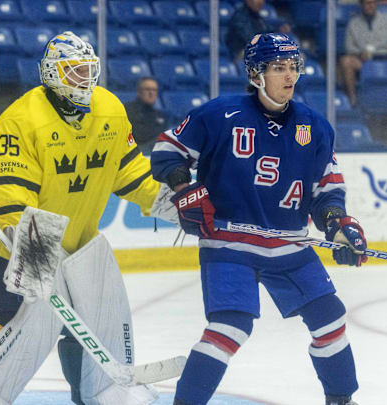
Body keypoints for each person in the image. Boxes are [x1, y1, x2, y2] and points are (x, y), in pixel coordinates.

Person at [0, 31, 170, 405]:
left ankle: (93, 395)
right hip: (17, 243)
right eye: (73, 72)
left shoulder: (111, 109)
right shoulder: (21, 119)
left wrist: (174, 204)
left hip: (77, 244)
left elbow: (132, 175)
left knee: (88, 325)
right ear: (51, 75)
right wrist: (38, 259)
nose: (84, 80)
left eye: (88, 70)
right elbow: (8, 198)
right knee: (18, 320)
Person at [151, 33, 364, 405]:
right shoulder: (219, 114)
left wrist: (337, 224)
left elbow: (326, 189)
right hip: (229, 243)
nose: (289, 76)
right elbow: (168, 150)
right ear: (255, 73)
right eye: (278, 68)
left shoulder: (314, 126)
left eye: (293, 67)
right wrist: (184, 190)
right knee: (229, 328)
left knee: (330, 319)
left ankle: (341, 399)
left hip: (289, 243)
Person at [339, 0, 387, 106]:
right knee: (346, 61)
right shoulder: (353, 23)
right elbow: (349, 47)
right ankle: (352, 99)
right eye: (367, 3)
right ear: (361, 5)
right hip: (365, 61)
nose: (370, 6)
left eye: (372, 3)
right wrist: (360, 53)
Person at [225, 0, 292, 61]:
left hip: (258, 49)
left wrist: (279, 30)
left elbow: (265, 31)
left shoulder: (257, 16)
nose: (260, 2)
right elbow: (251, 39)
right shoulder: (240, 17)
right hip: (242, 53)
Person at [124, 77, 170, 155]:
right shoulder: (128, 111)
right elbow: (140, 137)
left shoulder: (161, 116)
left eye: (154, 90)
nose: (151, 93)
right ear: (139, 92)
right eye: (147, 89)